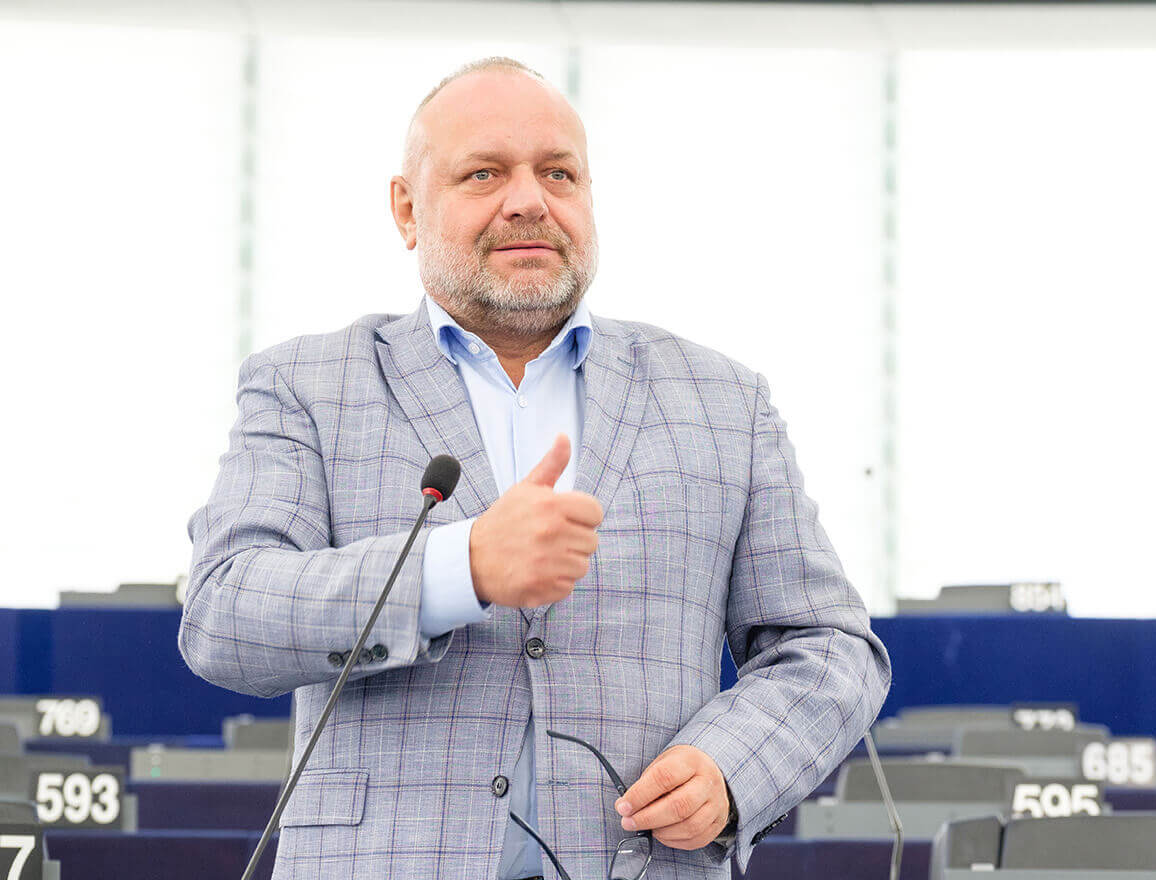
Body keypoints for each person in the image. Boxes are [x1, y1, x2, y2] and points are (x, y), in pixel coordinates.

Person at [180, 56, 891, 880]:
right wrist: (461, 567)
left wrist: (732, 769)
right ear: (407, 210)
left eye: (557, 173)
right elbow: (223, 613)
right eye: (483, 173)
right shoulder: (305, 384)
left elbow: (828, 645)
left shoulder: (724, 401)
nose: (528, 200)